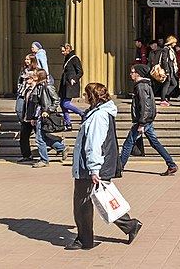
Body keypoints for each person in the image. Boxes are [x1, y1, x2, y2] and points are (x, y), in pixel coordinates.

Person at [70, 82, 143, 250]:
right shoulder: (97, 113)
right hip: (94, 165)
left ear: (92, 97)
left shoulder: (98, 116)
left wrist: (94, 168)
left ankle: (85, 240)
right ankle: (130, 226)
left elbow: (95, 143)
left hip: (90, 166)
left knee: (83, 203)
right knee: (100, 200)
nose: (83, 97)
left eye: (86, 94)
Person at [119, 64, 178, 176]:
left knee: (128, 144)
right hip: (147, 121)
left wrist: (141, 123)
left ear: (138, 73)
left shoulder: (141, 87)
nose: (130, 74)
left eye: (132, 72)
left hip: (143, 121)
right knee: (154, 143)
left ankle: (119, 168)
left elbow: (144, 106)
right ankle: (171, 164)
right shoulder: (145, 85)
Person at [27, 68, 65, 167]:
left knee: (39, 138)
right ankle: (61, 147)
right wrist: (33, 117)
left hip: (44, 115)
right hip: (38, 115)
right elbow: (34, 103)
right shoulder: (37, 87)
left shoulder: (48, 87)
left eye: (35, 74)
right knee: (43, 137)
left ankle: (44, 160)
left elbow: (56, 100)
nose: (33, 75)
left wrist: (48, 111)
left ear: (40, 76)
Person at [16, 54, 41, 163]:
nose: (26, 80)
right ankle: (26, 155)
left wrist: (35, 116)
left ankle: (60, 146)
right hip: (27, 116)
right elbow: (19, 81)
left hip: (33, 116)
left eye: (28, 78)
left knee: (41, 136)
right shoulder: (26, 90)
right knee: (24, 135)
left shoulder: (36, 90)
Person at [58, 43, 84, 129]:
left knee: (66, 104)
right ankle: (68, 122)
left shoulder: (74, 58)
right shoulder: (67, 58)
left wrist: (74, 79)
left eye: (63, 51)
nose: (62, 53)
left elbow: (80, 72)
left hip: (70, 84)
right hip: (64, 84)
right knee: (62, 104)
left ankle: (82, 113)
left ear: (68, 50)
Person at [157, 36, 179, 105]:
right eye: (174, 42)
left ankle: (166, 96)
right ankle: (163, 99)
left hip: (171, 69)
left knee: (174, 83)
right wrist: (166, 70)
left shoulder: (171, 50)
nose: (175, 44)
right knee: (167, 83)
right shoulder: (166, 49)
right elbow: (164, 60)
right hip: (168, 69)